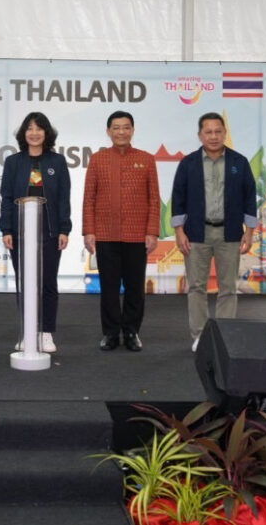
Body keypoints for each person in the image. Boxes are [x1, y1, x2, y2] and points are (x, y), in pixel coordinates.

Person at [171, 112, 257, 352]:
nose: (213, 136)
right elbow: (178, 198)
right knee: (196, 287)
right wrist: (179, 231)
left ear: (225, 133)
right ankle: (199, 336)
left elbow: (250, 198)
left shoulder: (239, 162)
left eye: (218, 131)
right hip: (196, 233)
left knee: (228, 288)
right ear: (200, 135)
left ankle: (224, 336)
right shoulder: (188, 164)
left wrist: (249, 232)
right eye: (208, 132)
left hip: (229, 234)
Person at [83, 110, 160, 352]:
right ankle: (110, 333)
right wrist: (89, 231)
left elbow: (154, 199)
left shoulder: (146, 159)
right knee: (109, 287)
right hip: (105, 234)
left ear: (133, 130)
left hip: (137, 235)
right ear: (108, 131)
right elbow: (89, 198)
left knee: (136, 287)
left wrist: (152, 231)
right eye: (116, 128)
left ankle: (132, 332)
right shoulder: (98, 159)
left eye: (126, 127)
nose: (121, 132)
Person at [0, 112, 71, 353]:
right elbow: (7, 198)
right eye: (29, 128)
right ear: (23, 134)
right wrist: (6, 229)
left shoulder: (57, 162)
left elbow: (63, 198)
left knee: (48, 282)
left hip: (49, 232)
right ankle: (28, 331)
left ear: (46, 133)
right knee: (25, 282)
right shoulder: (13, 162)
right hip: (20, 232)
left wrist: (64, 229)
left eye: (39, 128)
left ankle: (46, 332)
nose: (34, 132)